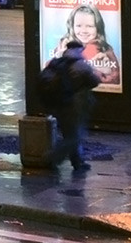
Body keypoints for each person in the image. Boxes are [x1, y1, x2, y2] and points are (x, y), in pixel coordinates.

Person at [39, 38, 100, 173]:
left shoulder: (57, 63)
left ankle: (77, 162)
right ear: (80, 50)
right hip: (74, 104)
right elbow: (95, 81)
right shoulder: (80, 65)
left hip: (59, 103)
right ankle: (51, 158)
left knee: (70, 134)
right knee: (74, 136)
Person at [57, 4, 122, 87]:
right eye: (79, 26)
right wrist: (59, 59)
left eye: (90, 26)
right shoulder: (64, 46)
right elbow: (49, 74)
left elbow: (118, 80)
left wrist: (108, 72)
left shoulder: (105, 49)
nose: (84, 31)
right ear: (72, 26)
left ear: (98, 28)